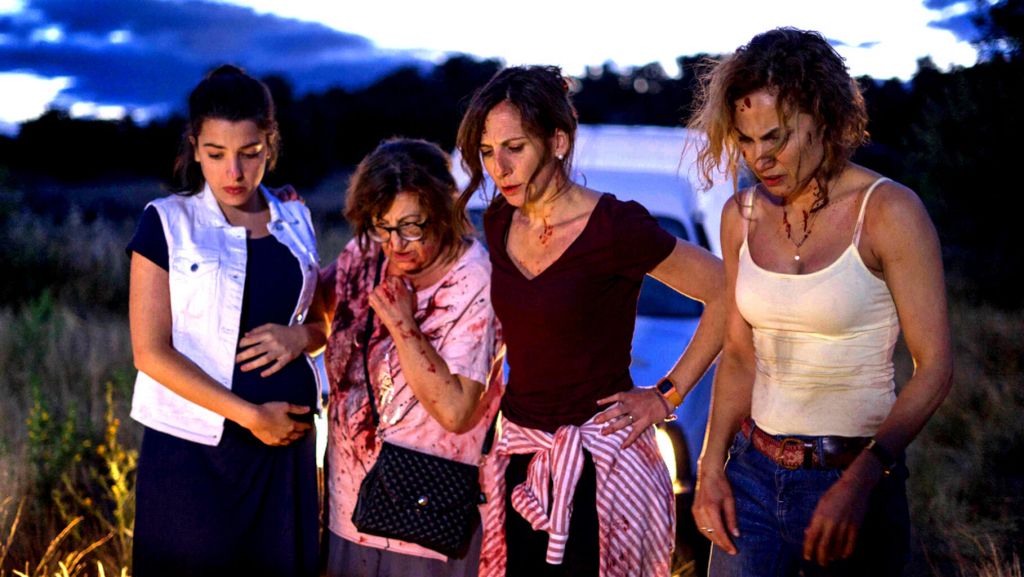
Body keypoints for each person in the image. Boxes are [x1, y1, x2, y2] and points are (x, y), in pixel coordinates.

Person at [687, 27, 953, 576]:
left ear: (824, 118)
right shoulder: (741, 215)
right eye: (745, 140)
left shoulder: (889, 212)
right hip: (752, 477)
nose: (760, 157)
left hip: (854, 478)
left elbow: (935, 369)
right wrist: (710, 468)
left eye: (776, 138)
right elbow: (738, 354)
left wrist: (862, 480)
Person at [454, 65, 726, 577]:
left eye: (514, 147)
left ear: (558, 142)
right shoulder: (498, 221)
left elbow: (727, 291)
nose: (499, 168)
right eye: (487, 152)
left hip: (603, 468)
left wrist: (666, 395)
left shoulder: (615, 226)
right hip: (522, 463)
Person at [127, 64, 324, 577]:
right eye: (216, 154)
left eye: (250, 153)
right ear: (195, 147)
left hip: (285, 451)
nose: (234, 172)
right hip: (194, 452)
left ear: (270, 145)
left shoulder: (295, 217)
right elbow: (149, 352)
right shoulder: (166, 222)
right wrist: (250, 416)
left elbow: (324, 320)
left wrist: (301, 336)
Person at [320, 137, 503, 577]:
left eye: (411, 227)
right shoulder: (365, 254)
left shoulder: (474, 281)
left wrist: (403, 325)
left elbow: (456, 410)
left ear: (445, 212)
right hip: (350, 506)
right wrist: (295, 336)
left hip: (425, 520)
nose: (395, 243)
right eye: (382, 226)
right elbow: (316, 312)